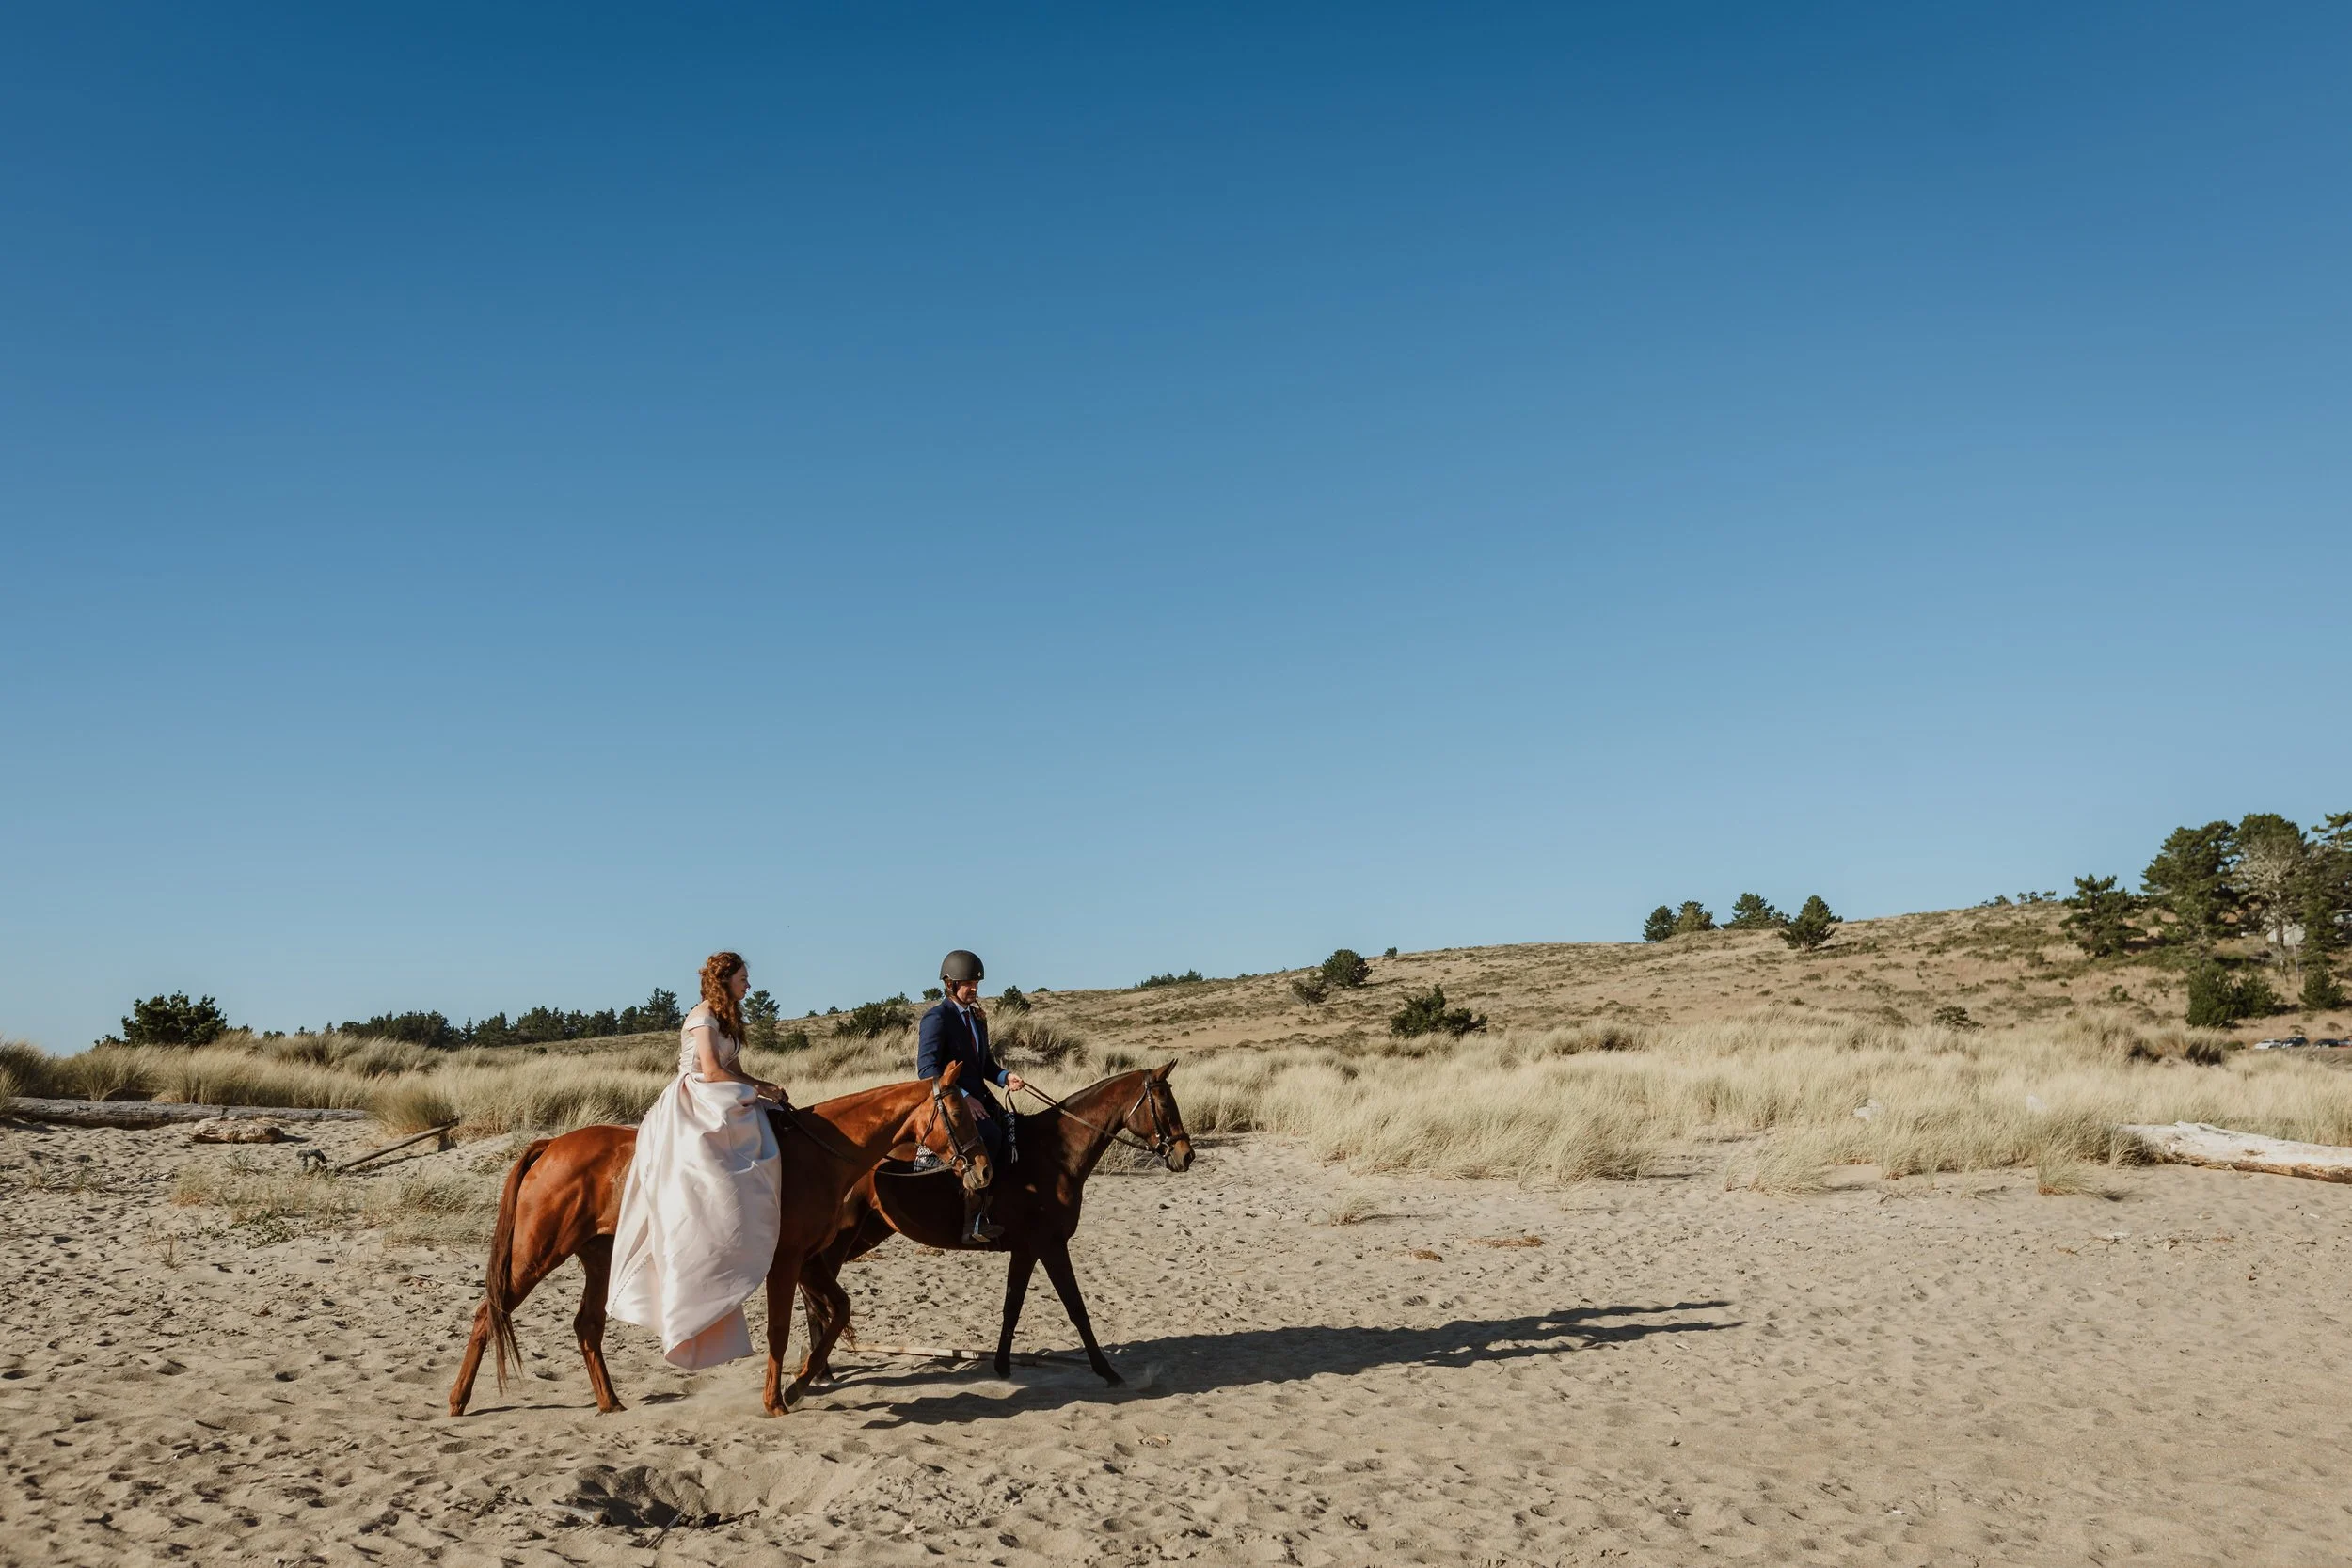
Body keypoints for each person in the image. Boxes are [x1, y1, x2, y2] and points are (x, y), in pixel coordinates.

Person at [605, 951, 789, 1369]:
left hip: (724, 1089)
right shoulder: (702, 1016)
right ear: (725, 981)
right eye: (744, 978)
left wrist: (762, 1088)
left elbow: (734, 1065)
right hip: (696, 1097)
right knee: (713, 1154)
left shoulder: (730, 1016)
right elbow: (710, 1070)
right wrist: (756, 1087)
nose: (749, 985)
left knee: (772, 1119)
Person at [916, 949, 1025, 1244]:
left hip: (980, 1098)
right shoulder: (936, 1018)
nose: (974, 988)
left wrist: (1005, 1078)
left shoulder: (977, 1018)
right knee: (989, 1136)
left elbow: (985, 1065)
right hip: (949, 1103)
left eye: (976, 983)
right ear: (950, 984)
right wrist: (962, 1096)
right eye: (967, 983)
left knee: (1016, 1131)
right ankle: (972, 1221)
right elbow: (926, 1069)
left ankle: (1000, 1207)